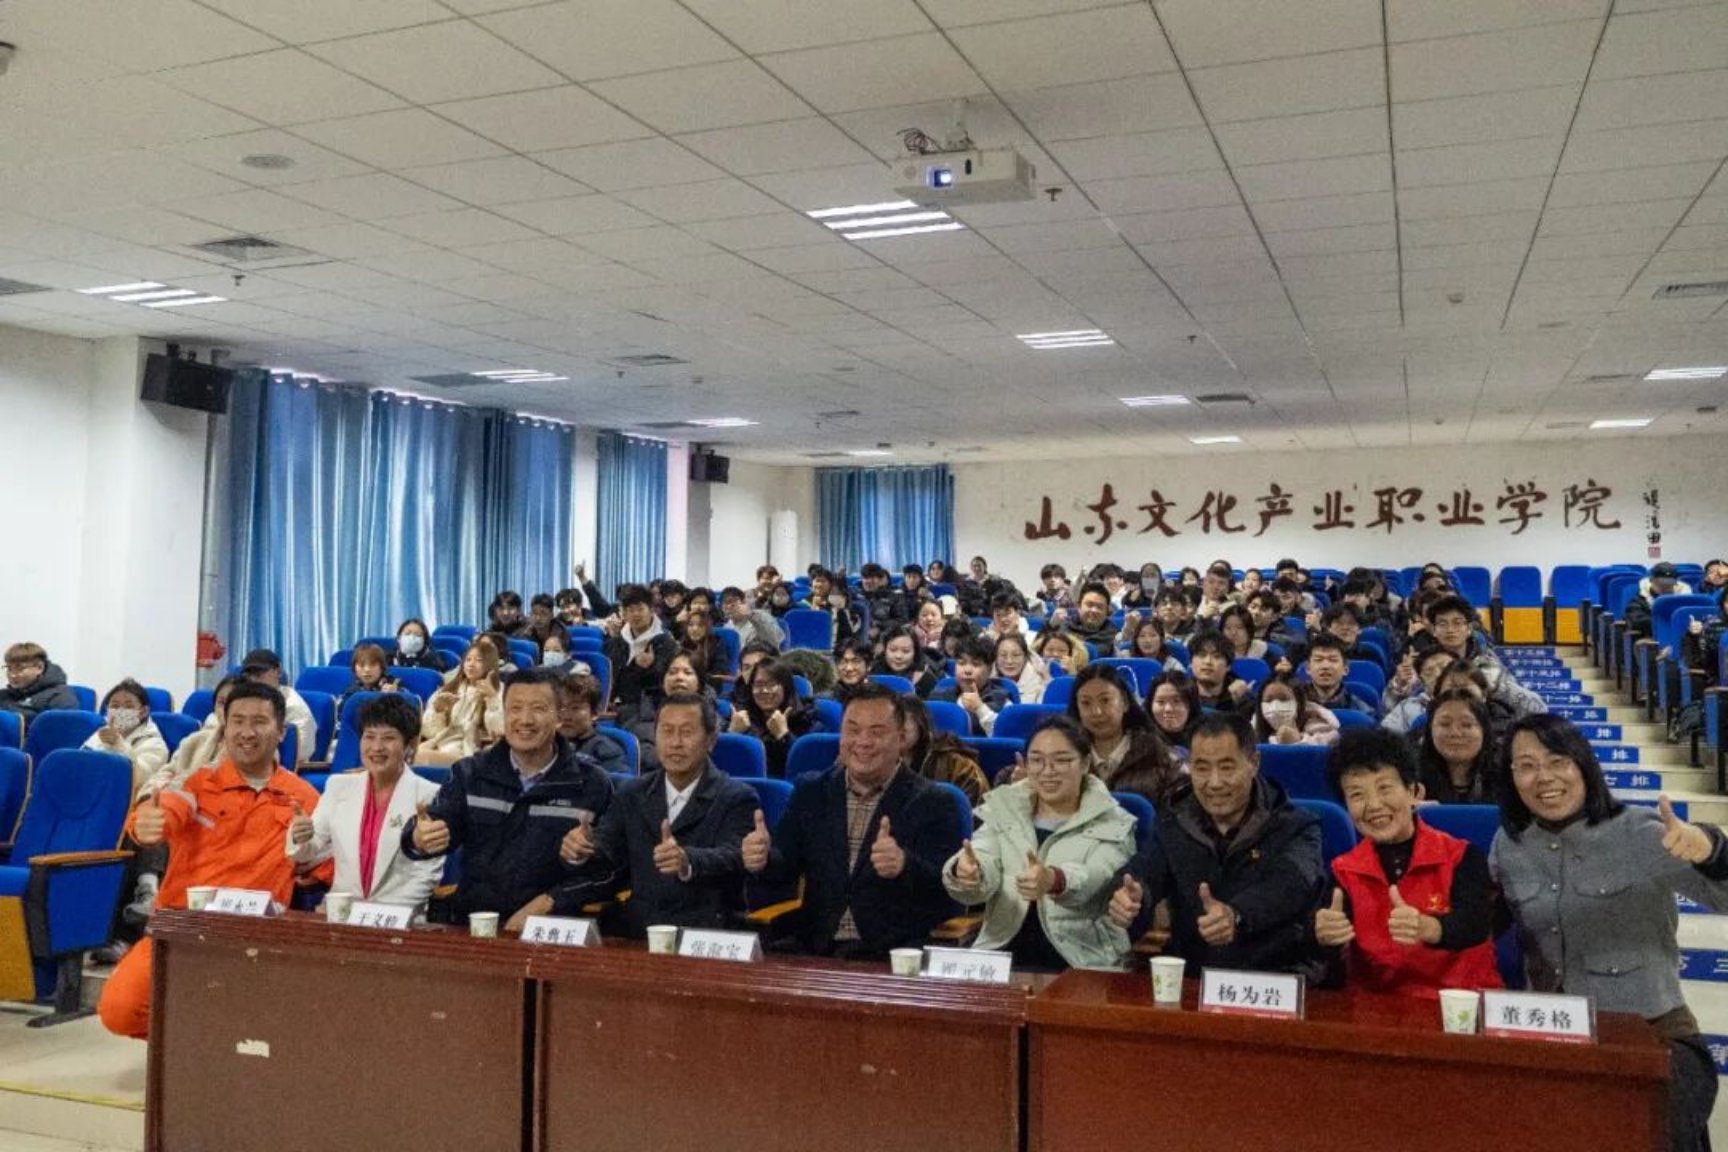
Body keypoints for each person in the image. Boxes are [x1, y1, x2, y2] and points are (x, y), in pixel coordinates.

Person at [1493, 715, 1728, 1151]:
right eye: (1526, 765)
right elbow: (1481, 925)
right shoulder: (1508, 846)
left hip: (1653, 1035)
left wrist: (1713, 849)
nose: (1543, 777)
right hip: (1553, 1039)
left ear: (1583, 765)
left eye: (1557, 761)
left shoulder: (1639, 832)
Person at [97, 683, 327, 1040]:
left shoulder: (304, 798)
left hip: (256, 937)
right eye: (237, 721)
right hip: (180, 930)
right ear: (224, 727)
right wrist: (145, 823)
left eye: (259, 722)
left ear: (281, 731)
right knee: (119, 1011)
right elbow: (164, 811)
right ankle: (189, 1043)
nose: (247, 732)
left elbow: (325, 864)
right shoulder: (195, 783)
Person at [742, 685, 965, 957]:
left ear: (901, 739)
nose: (863, 741)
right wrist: (762, 860)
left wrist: (904, 866)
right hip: (816, 947)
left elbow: (950, 895)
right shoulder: (812, 791)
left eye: (877, 732)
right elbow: (783, 870)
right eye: (853, 730)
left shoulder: (935, 802)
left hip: (892, 954)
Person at [1108, 713, 1326, 978]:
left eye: (1226, 768)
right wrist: (1132, 897)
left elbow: (1290, 885)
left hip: (1277, 974)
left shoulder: (1297, 826)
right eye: (1201, 768)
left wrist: (1237, 915)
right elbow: (1144, 871)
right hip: (1196, 976)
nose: (1214, 783)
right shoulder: (1174, 822)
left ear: (1254, 763)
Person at [402, 667, 615, 930]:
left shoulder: (592, 783)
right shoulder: (471, 773)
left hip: (554, 926)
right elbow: (435, 826)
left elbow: (610, 872)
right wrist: (418, 837)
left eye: (538, 709)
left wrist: (551, 901)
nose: (525, 720)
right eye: (515, 709)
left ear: (559, 718)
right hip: (476, 922)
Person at [1313, 728, 1501, 995]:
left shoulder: (1461, 856)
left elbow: (1476, 925)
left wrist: (1431, 928)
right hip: (1376, 1008)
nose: (1373, 805)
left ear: (1414, 792)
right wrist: (1323, 938)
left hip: (1459, 1003)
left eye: (1384, 788)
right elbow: (1331, 963)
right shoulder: (1343, 871)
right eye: (1356, 795)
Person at [943, 717, 1135, 972]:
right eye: (1037, 760)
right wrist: (968, 872)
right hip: (1002, 953)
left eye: (1061, 760)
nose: (1047, 771)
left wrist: (1053, 880)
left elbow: (1096, 878)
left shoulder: (1115, 821)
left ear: (1085, 763)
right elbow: (982, 853)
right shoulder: (1005, 807)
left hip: (1084, 959)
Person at [559, 693, 757, 934]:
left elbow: (736, 857)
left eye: (686, 732)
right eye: (666, 731)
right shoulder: (632, 793)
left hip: (708, 929)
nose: (675, 743)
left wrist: (687, 861)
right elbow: (608, 851)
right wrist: (581, 851)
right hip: (642, 928)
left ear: (711, 740)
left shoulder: (737, 797)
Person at [286, 693, 443, 913]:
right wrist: (300, 838)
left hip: (399, 916)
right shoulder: (338, 787)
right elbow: (309, 853)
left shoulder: (430, 795)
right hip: (342, 912)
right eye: (369, 737)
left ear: (408, 745)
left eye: (388, 738)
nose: (376, 747)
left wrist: (380, 916)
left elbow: (427, 874)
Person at [1066, 664, 1181, 804]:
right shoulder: (1067, 754)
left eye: (1105, 700)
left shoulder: (1155, 751)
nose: (1097, 712)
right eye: (1086, 703)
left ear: (1125, 703)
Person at [1424, 594, 1546, 717]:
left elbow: (1537, 708)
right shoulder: (1427, 664)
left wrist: (1497, 687)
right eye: (1443, 624)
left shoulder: (1489, 663)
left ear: (1469, 628)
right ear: (1434, 630)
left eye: (1457, 623)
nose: (1450, 630)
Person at [418, 637, 506, 766]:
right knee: (416, 756)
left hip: (477, 754)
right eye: (468, 659)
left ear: (490, 664)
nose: (471, 664)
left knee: (420, 757)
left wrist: (492, 699)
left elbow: (500, 731)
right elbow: (429, 732)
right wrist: (438, 711)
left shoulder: (501, 691)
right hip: (443, 746)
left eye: (479, 660)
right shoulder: (449, 689)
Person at [727, 659, 813, 779]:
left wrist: (784, 736)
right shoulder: (740, 715)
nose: (764, 691)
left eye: (772, 685)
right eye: (758, 685)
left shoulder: (806, 716)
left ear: (786, 687)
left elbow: (808, 767)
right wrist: (731, 734)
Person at [602, 584, 679, 714]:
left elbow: (665, 685)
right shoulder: (616, 642)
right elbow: (608, 678)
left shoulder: (666, 642)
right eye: (630, 610)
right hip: (613, 709)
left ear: (651, 610)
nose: (636, 614)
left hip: (649, 710)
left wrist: (648, 668)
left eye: (640, 609)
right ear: (624, 614)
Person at [900, 696, 990, 806]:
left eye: (901, 727)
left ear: (920, 725)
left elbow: (977, 810)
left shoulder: (958, 766)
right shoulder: (881, 763)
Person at [83, 679, 169, 794]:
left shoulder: (155, 744)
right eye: (115, 706)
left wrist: (118, 745)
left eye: (129, 706)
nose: (120, 711)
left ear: (143, 711)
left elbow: (140, 778)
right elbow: (82, 764)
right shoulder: (100, 734)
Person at [235, 649, 316, 767]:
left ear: (278, 672)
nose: (253, 679)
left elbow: (301, 751)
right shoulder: (242, 701)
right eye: (249, 674)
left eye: (259, 673)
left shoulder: (293, 706)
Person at [1417, 690, 1498, 804]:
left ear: (1484, 731)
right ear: (1430, 730)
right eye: (1445, 724)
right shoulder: (1409, 779)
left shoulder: (1507, 779)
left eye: (1466, 725)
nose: (1455, 733)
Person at [931, 637, 1011, 735]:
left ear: (989, 670)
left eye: (976, 664)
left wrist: (980, 708)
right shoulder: (938, 697)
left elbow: (1003, 736)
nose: (967, 670)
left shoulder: (1002, 700)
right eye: (961, 663)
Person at [555, 673, 628, 775]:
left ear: (595, 713)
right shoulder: (545, 745)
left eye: (575, 708)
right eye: (560, 707)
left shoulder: (607, 751)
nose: (566, 716)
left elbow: (617, 784)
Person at [1380, 646, 1455, 735]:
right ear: (1422, 680)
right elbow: (1385, 736)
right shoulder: (1406, 707)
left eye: (1443, 667)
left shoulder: (1470, 701)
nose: (1438, 674)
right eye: (1429, 671)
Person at [1303, 634, 1377, 717]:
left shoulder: (1362, 712)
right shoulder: (1294, 706)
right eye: (1318, 660)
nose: (1325, 666)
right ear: (1308, 668)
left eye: (1333, 660)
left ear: (1345, 669)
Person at [0, 642, 79, 720]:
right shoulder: (3, 695)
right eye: (9, 669)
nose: (12, 675)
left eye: (20, 669)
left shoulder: (60, 696)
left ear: (39, 668)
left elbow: (63, 725)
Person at [1251, 677, 1339, 747]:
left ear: (1298, 703)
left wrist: (1299, 741)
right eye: (1268, 700)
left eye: (1283, 699)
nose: (1275, 707)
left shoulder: (1323, 729)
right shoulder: (1251, 732)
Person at [1187, 631, 1252, 713]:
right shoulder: (1180, 693)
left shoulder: (1241, 695)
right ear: (1191, 662)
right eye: (1202, 655)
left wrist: (1242, 702)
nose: (1208, 661)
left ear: (1228, 666)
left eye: (1216, 656)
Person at [1145, 670, 1202, 760]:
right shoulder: (1139, 740)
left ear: (1191, 704)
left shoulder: (1206, 736)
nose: (1168, 709)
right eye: (1161, 702)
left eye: (1176, 701)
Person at [873, 626, 939, 698]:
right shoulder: (874, 672)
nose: (898, 656)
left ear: (915, 652)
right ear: (885, 651)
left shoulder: (927, 679)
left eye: (906, 651)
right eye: (893, 650)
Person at [720, 585, 784, 651]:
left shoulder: (761, 615)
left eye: (733, 602)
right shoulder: (727, 628)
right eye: (725, 603)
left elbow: (775, 640)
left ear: (744, 602)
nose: (729, 606)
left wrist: (752, 616)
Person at [339, 643, 401, 711]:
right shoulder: (351, 690)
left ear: (382, 667)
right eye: (362, 665)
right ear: (354, 668)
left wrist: (395, 695)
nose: (367, 670)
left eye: (372, 665)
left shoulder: (392, 684)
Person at [994, 632, 1050, 705]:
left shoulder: (1040, 681)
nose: (1009, 661)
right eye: (1003, 655)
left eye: (1016, 655)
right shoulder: (987, 678)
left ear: (1026, 657)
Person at [679, 607, 727, 688]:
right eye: (691, 625)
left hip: (707, 688)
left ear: (707, 627)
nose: (694, 629)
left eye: (700, 625)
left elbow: (718, 676)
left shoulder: (717, 644)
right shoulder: (683, 643)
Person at [1065, 583, 1119, 650]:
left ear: (1107, 611)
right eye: (1089, 605)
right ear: (1078, 606)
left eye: (1099, 607)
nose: (1094, 610)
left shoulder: (1113, 637)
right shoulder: (1064, 628)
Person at [830, 640, 875, 707]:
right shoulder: (827, 698)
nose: (849, 668)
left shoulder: (879, 697)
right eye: (843, 662)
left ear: (869, 665)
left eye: (856, 661)